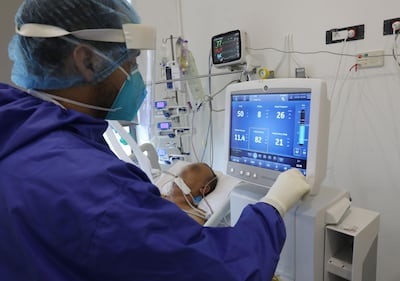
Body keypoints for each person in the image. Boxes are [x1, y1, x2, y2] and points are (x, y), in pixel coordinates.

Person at [0, 1, 311, 281]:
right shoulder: (95, 187)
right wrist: (274, 205)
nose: (135, 76)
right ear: (87, 61)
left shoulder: (17, 129)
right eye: (131, 62)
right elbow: (223, 270)